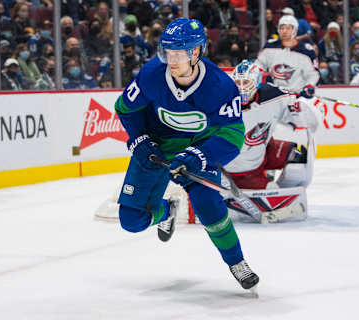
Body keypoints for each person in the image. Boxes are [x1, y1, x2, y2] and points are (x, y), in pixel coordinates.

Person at [114, 17, 259, 291]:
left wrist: (199, 155)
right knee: (131, 221)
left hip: (198, 146)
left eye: (179, 53)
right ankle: (167, 210)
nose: (172, 59)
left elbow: (233, 135)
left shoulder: (220, 86)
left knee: (208, 204)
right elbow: (125, 107)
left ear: (196, 52)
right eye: (168, 52)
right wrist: (139, 139)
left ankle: (236, 261)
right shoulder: (151, 74)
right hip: (155, 144)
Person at [224, 60, 319, 190]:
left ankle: (284, 193)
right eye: (237, 83)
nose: (241, 88)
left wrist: (301, 103)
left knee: (298, 156)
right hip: (229, 171)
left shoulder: (274, 97)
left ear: (256, 83)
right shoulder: (220, 102)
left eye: (245, 82)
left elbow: (308, 123)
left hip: (260, 157)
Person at [256, 15, 320, 98]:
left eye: (288, 28)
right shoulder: (270, 46)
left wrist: (310, 86)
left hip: (298, 97)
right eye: (282, 28)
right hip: (274, 97)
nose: (284, 31)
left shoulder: (306, 50)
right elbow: (258, 66)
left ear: (295, 30)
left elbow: (313, 74)